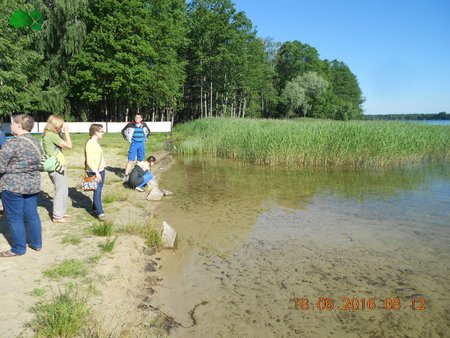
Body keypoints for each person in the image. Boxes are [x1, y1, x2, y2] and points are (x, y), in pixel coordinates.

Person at [0, 114, 42, 257]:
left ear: (19, 125)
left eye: (11, 123)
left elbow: (0, 166)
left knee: (14, 217)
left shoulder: (12, 143)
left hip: (13, 186)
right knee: (32, 215)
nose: (10, 126)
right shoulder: (36, 142)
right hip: (33, 185)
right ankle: (36, 243)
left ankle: (18, 248)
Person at [42, 115, 73, 223]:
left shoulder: (48, 134)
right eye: (60, 125)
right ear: (55, 125)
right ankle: (57, 216)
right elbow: (69, 146)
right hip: (57, 166)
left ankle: (62, 212)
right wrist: (67, 132)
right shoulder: (51, 135)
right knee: (60, 191)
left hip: (57, 165)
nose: (62, 127)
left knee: (63, 190)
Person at [85, 124, 106, 220]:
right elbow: (89, 160)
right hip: (95, 171)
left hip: (100, 170)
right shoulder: (90, 144)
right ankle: (100, 212)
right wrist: (96, 172)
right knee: (97, 190)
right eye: (102, 131)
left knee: (97, 190)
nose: (103, 133)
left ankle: (94, 208)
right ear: (96, 132)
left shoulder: (95, 142)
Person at [121, 114, 150, 181]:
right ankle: (126, 174)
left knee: (140, 160)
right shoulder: (130, 124)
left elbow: (148, 131)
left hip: (141, 144)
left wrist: (146, 139)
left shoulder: (144, 125)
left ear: (141, 119)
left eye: (138, 118)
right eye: (136, 117)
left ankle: (137, 174)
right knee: (130, 160)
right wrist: (127, 138)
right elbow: (123, 131)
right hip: (134, 144)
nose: (137, 119)